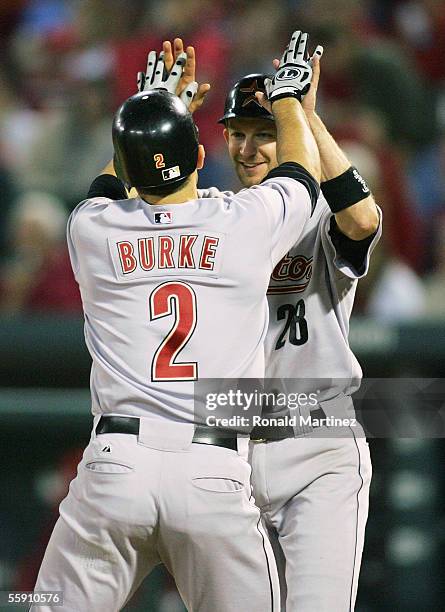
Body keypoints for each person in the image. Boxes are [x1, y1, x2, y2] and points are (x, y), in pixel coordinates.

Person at [32, 32, 321, 612]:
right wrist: (288, 97)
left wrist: (147, 112)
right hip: (212, 474)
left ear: (130, 167)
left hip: (114, 472)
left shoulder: (92, 228)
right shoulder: (243, 221)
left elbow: (109, 185)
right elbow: (302, 175)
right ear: (198, 155)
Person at [154, 35, 380, 611]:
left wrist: (304, 113)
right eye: (239, 133)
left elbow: (362, 217)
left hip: (318, 445)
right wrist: (153, 115)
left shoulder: (322, 215)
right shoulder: (213, 216)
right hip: (227, 449)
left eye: (266, 132)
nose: (251, 147)